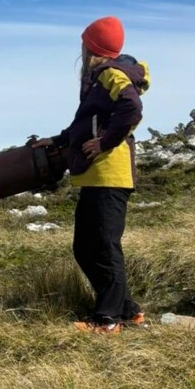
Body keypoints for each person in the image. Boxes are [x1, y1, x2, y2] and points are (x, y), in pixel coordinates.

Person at [35, 16, 151, 334]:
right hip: (94, 177)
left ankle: (108, 320)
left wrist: (105, 142)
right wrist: (59, 140)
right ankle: (127, 310)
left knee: (103, 246)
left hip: (110, 176)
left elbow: (132, 108)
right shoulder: (100, 78)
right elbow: (87, 122)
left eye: (85, 44)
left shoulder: (112, 74)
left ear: (92, 48)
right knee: (85, 247)